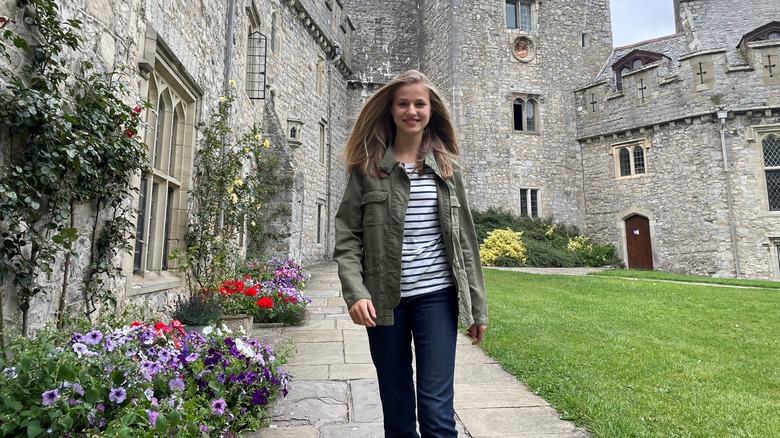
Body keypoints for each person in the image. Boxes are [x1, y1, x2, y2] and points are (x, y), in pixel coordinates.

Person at [333, 69, 488, 438]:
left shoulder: (447, 169)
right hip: (385, 302)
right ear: (391, 110)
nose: (411, 111)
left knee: (437, 411)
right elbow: (347, 238)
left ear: (431, 110)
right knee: (397, 408)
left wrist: (477, 308)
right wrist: (356, 292)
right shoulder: (368, 170)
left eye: (420, 103)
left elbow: (465, 240)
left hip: (437, 299)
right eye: (403, 103)